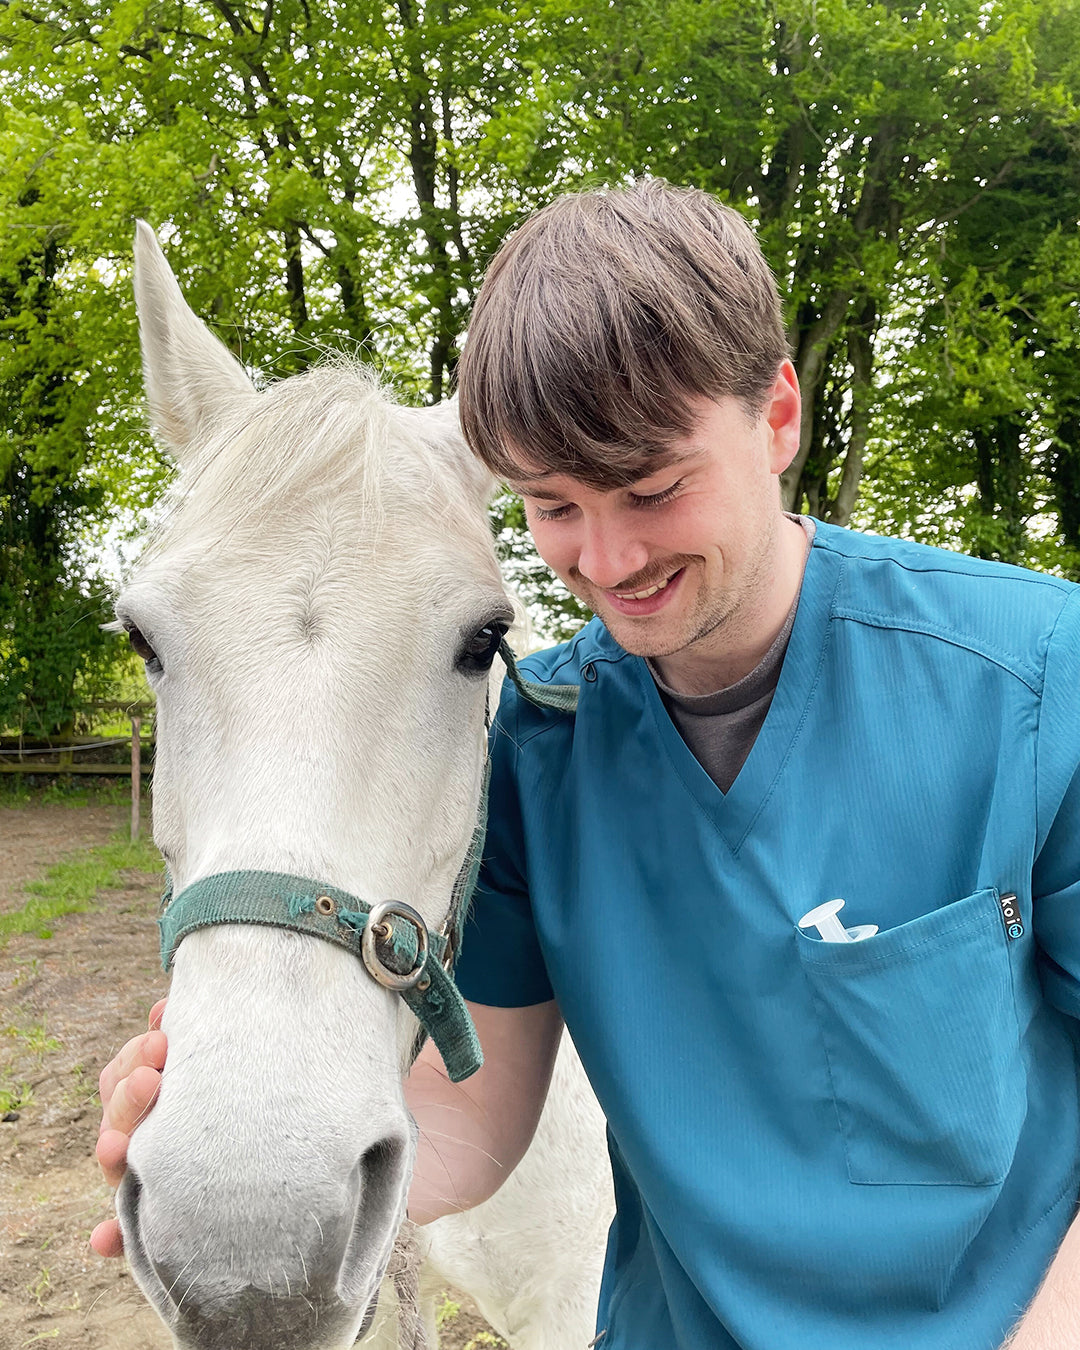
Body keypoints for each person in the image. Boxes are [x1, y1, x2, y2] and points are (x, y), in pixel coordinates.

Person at [94, 180, 1080, 1349]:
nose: (608, 562)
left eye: (654, 489)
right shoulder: (542, 744)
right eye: (553, 506)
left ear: (777, 416)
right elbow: (485, 1109)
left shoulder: (1035, 678)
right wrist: (278, 1154)